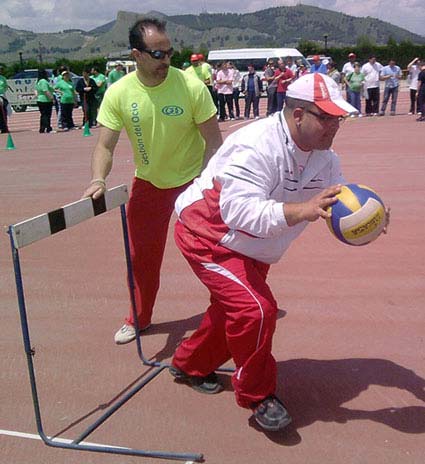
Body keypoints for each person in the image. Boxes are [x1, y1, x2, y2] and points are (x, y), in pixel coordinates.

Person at [168, 73, 388, 431]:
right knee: (255, 310)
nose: (335, 126)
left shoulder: (326, 159)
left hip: (256, 244)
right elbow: (238, 212)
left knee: (231, 312)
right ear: (298, 114)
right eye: (326, 117)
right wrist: (302, 210)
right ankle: (257, 395)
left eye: (339, 118)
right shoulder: (255, 145)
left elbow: (337, 202)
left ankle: (189, 363)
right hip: (210, 235)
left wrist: (371, 218)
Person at [82, 17, 223, 344]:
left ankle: (229, 308)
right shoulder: (119, 92)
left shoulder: (190, 85)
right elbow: (104, 145)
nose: (167, 60)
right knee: (141, 257)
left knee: (215, 251)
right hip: (149, 184)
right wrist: (98, 179)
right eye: (157, 54)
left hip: (194, 181)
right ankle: (139, 318)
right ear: (136, 55)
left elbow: (215, 144)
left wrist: (203, 184)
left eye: (169, 52)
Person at [35, 68, 55, 133]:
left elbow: (35, 90)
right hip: (45, 100)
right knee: (47, 115)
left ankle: (42, 128)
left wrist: (37, 96)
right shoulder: (44, 81)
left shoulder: (38, 81)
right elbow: (46, 91)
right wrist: (52, 98)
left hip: (40, 100)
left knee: (43, 115)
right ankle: (48, 128)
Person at [0, 66, 10, 133]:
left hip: (2, 95)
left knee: (4, 111)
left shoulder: (3, 78)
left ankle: (4, 127)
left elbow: (6, 86)